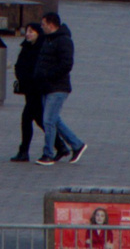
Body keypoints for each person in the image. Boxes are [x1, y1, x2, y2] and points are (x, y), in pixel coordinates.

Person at [35, 10, 86, 164]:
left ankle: (48, 154)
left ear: (51, 25)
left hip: (58, 87)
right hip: (46, 86)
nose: (41, 27)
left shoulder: (64, 41)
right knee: (54, 119)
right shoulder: (48, 39)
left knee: (48, 120)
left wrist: (49, 75)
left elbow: (66, 64)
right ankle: (77, 145)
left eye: (43, 24)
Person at [9, 21, 45, 161]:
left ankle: (24, 151)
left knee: (27, 119)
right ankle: (61, 146)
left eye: (31, 32)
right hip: (28, 89)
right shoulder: (26, 46)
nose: (28, 34)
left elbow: (37, 69)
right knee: (39, 119)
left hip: (36, 89)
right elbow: (19, 65)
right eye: (27, 31)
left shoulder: (40, 48)